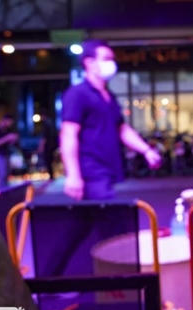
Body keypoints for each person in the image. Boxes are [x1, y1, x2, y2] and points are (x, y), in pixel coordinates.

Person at [60, 40, 161, 200]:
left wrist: (146, 150)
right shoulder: (77, 94)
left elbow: (121, 129)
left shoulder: (109, 96)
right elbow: (68, 134)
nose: (112, 64)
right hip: (90, 171)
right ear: (89, 62)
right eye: (106, 59)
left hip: (108, 168)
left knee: (105, 213)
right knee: (107, 212)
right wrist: (73, 175)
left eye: (112, 59)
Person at [0, 114, 19, 186]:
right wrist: (8, 137)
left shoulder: (7, 130)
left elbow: (9, 143)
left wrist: (13, 139)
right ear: (5, 120)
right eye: (10, 122)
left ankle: (5, 189)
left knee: (7, 174)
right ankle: (1, 190)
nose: (10, 124)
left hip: (7, 154)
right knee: (2, 174)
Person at [37, 110, 57, 180]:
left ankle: (51, 176)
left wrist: (41, 147)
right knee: (51, 161)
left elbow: (44, 137)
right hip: (53, 145)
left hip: (48, 146)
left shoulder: (46, 123)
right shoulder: (51, 122)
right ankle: (52, 176)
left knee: (48, 161)